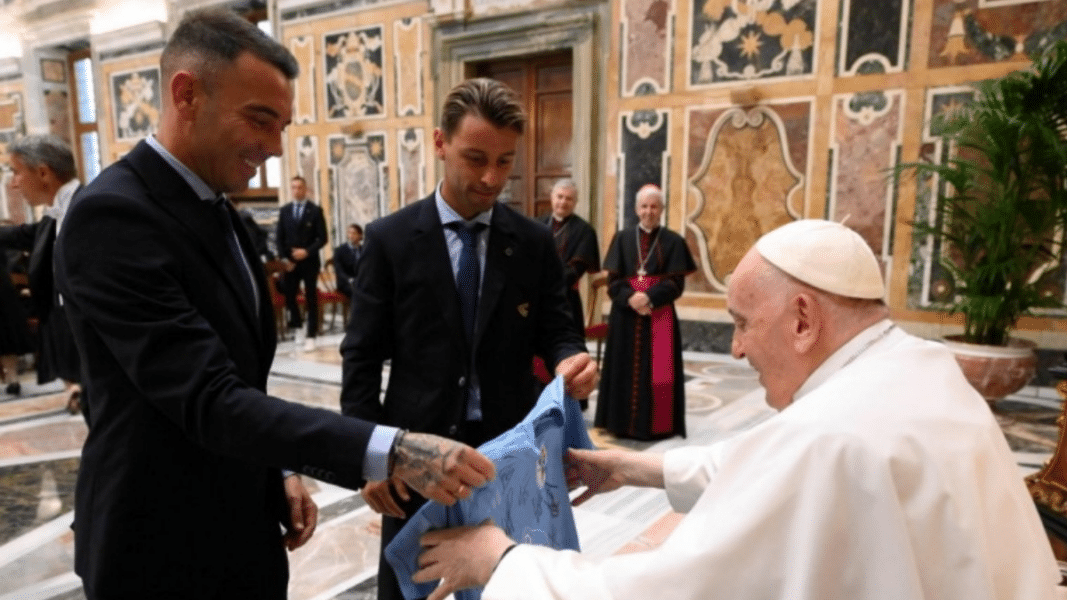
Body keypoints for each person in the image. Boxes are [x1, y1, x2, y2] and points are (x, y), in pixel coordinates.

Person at [53, 10, 495, 600]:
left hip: (242, 525)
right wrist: (393, 448)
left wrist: (280, 471)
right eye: (260, 120)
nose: (273, 147)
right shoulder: (113, 215)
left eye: (282, 126)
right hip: (158, 542)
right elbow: (206, 396)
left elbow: (241, 377)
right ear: (187, 94)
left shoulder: (220, 212)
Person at [411, 219, 1062, 600]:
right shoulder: (916, 369)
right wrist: (635, 469)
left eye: (743, 322)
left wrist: (501, 561)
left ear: (803, 318)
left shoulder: (827, 437)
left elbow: (676, 589)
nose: (736, 346)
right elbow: (771, 468)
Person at [340, 77, 599, 600]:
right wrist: (366, 455)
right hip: (415, 458)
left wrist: (572, 358)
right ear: (440, 143)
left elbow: (557, 328)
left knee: (508, 587)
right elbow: (362, 356)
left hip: (508, 457)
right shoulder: (390, 240)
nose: (490, 177)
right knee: (418, 588)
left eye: (505, 161)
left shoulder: (531, 242)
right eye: (474, 157)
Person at [594, 184, 695, 440]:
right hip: (625, 316)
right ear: (636, 209)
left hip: (658, 314)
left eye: (654, 206)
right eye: (644, 206)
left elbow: (676, 284)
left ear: (661, 209)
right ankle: (618, 424)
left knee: (658, 373)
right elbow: (613, 282)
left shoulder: (673, 241)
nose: (649, 211)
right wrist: (632, 298)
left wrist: (649, 298)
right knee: (621, 369)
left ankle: (656, 426)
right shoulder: (622, 238)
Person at [0, 135, 85, 414]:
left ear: (43, 173)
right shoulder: (54, 214)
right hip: (66, 329)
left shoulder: (91, 207)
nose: (13, 182)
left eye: (16, 171)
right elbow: (26, 235)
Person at [540, 178, 600, 336]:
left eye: (569, 198)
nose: (563, 202)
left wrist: (545, 283)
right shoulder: (537, 225)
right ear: (552, 197)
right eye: (559, 197)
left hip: (566, 301)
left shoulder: (584, 231)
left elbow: (576, 270)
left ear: (575, 202)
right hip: (536, 299)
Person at [276, 174, 327, 351]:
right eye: (294, 187)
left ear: (305, 189)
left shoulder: (315, 210)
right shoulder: (285, 211)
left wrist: (306, 251)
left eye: (300, 187)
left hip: (309, 261)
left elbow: (323, 238)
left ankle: (311, 334)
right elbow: (279, 238)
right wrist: (284, 259)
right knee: (290, 296)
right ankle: (297, 327)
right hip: (290, 263)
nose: (297, 190)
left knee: (311, 297)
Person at [0, 247, 32, 395]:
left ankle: (12, 380)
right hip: (3, 286)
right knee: (6, 336)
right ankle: (13, 380)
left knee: (5, 336)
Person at [334, 222, 363, 298]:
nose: (351, 236)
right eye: (349, 233)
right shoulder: (339, 250)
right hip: (346, 282)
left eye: (354, 233)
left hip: (362, 281)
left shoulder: (364, 250)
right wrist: (349, 279)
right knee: (358, 292)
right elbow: (339, 270)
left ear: (360, 235)